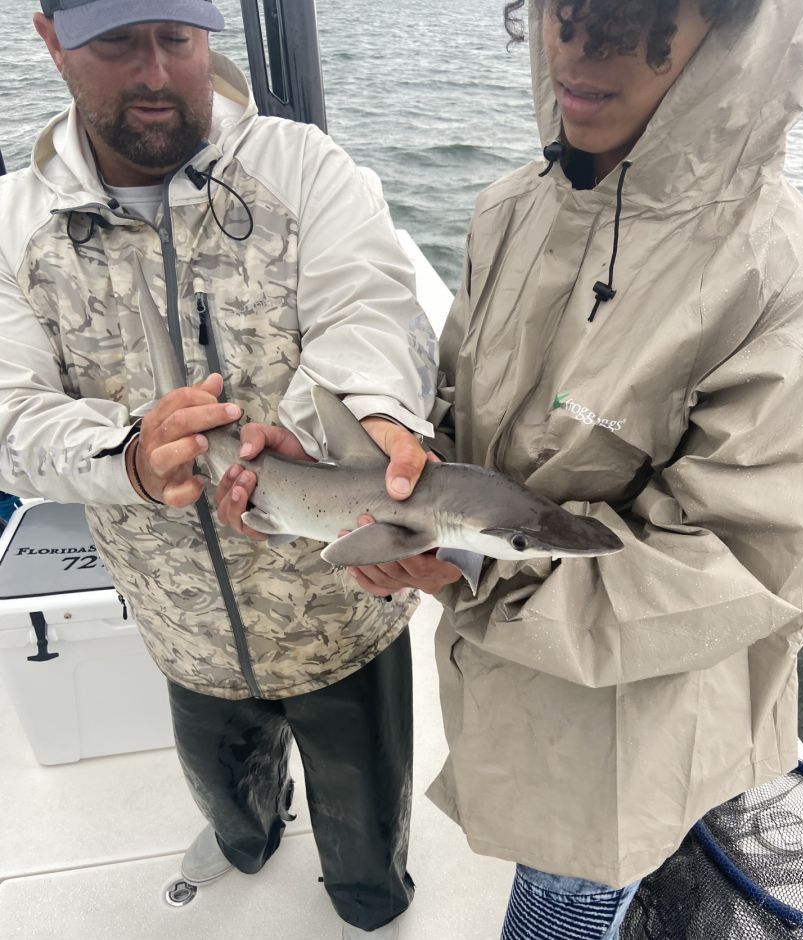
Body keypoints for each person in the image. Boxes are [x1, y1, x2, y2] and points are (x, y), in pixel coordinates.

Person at [344, 0, 803, 937]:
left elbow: (750, 560)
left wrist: (470, 573)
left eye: (637, 21)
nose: (579, 50)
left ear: (729, 32)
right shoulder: (509, 205)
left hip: (635, 728)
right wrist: (391, 466)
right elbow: (457, 403)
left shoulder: (776, 268)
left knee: (560, 909)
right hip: (519, 687)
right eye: (565, 10)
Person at [0, 2, 438, 937]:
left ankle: (369, 901)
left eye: (178, 39)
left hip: (342, 613)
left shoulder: (304, 167)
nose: (156, 72)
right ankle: (248, 841)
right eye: (117, 41)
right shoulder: (13, 226)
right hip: (179, 621)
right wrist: (128, 454)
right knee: (229, 806)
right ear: (51, 39)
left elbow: (370, 307)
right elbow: (11, 414)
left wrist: (371, 410)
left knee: (369, 842)